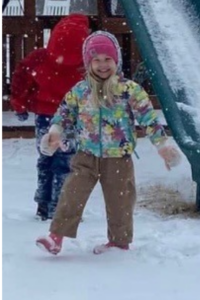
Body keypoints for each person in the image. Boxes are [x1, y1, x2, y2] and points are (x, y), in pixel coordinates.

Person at [36, 31, 181, 254]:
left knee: (120, 200)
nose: (103, 65)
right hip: (86, 155)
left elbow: (148, 118)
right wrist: (55, 133)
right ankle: (56, 237)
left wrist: (162, 145)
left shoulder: (129, 90)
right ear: (88, 62)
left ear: (116, 61)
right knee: (71, 194)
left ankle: (119, 242)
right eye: (97, 60)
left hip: (118, 157)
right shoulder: (81, 91)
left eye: (108, 60)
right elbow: (64, 113)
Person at [10, 14, 89, 220]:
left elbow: (20, 77)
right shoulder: (86, 63)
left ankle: (43, 205)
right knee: (66, 163)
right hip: (72, 119)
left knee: (45, 159)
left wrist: (20, 103)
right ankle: (60, 208)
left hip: (45, 117)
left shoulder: (40, 58)